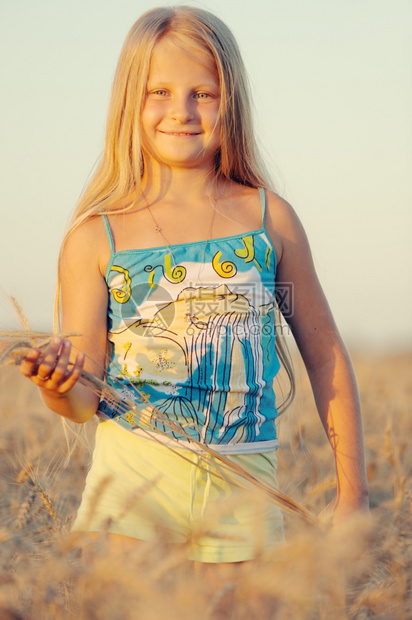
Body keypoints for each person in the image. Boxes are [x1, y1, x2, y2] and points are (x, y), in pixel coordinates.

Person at [19, 6, 369, 565]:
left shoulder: (268, 220)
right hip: (127, 515)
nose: (180, 111)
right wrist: (56, 385)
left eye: (201, 94)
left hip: (246, 511)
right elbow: (85, 400)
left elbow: (325, 355)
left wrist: (353, 495)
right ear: (129, 102)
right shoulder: (96, 238)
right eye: (159, 90)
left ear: (231, 100)